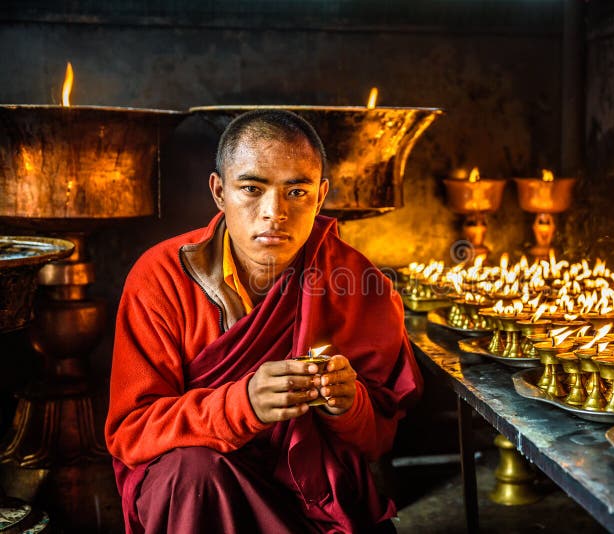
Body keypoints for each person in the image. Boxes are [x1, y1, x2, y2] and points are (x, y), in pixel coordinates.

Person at [105, 109, 423, 534]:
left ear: (321, 195)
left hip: (312, 494)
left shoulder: (360, 283)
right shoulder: (161, 276)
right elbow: (131, 431)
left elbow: (379, 439)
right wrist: (243, 404)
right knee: (193, 473)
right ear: (219, 191)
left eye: (296, 192)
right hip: (203, 490)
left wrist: (347, 405)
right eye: (252, 188)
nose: (274, 212)